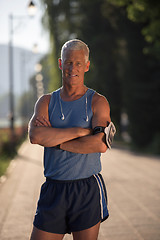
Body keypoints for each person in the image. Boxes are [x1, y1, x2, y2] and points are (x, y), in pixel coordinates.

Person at [29, 39, 111, 240]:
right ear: (60, 63)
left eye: (78, 63)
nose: (72, 67)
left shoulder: (98, 102)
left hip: (86, 189)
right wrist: (80, 131)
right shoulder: (46, 102)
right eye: (68, 62)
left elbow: (99, 144)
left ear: (87, 66)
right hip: (53, 188)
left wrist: (56, 141)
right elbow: (36, 136)